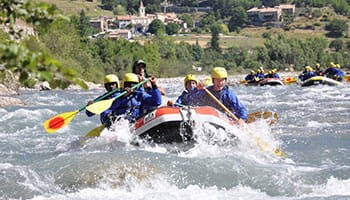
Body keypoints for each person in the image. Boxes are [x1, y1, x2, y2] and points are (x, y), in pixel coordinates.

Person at [183, 67, 248, 124]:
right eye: (217, 80)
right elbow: (188, 98)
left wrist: (243, 119)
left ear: (225, 81)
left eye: (222, 80)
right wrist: (196, 89)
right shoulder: (206, 91)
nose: (220, 83)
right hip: (210, 119)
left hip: (226, 119)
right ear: (213, 80)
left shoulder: (228, 93)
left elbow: (241, 108)